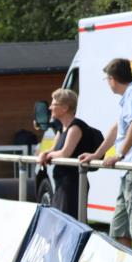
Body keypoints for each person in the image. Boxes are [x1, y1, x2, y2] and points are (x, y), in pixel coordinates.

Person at [78, 57, 132, 259]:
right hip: (130, 170)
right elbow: (117, 128)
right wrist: (98, 154)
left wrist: (119, 154)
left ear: (112, 79)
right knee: (120, 229)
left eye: (107, 79)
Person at [36, 88, 98, 219]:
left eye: (54, 104)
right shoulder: (61, 128)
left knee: (70, 222)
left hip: (72, 185)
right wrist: (44, 154)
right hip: (61, 185)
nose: (50, 107)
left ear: (65, 108)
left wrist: (48, 156)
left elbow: (65, 153)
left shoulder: (76, 127)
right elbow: (53, 150)